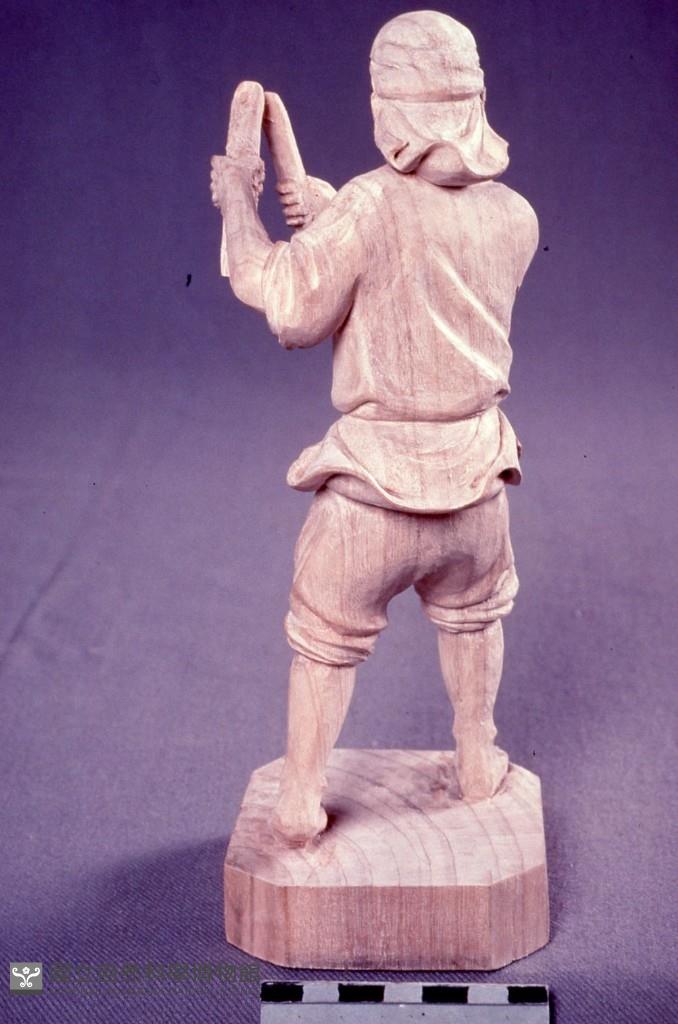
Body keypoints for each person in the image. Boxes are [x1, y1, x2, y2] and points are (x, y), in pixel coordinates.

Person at [211, 10, 539, 845]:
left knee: (324, 643)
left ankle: (300, 801)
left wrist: (239, 204)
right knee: (474, 621)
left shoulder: (368, 206)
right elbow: (424, 254)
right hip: (476, 484)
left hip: (375, 495)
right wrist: (337, 218)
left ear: (388, 107)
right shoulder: (515, 215)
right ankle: (477, 760)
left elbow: (288, 304)